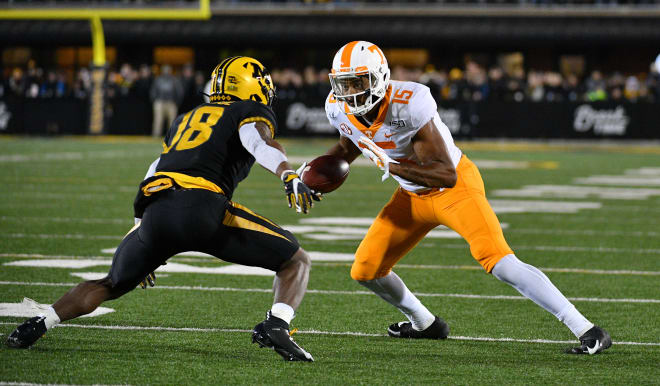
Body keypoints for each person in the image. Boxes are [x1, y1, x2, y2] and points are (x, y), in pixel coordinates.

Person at [6, 56, 320, 362]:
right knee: (296, 260)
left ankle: (41, 322)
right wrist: (288, 174)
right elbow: (257, 142)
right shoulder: (248, 111)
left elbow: (154, 169)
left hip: (156, 211)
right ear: (253, 86)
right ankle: (277, 325)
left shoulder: (186, 117)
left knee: (110, 283)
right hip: (202, 208)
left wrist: (139, 230)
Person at [309, 41, 610, 355]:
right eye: (345, 83)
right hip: (411, 197)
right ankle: (425, 324)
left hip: (454, 190)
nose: (351, 91)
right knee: (365, 270)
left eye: (359, 82)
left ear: (379, 77)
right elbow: (347, 148)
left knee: (499, 262)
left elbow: (445, 174)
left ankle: (588, 330)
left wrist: (392, 165)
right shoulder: (337, 106)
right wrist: (310, 176)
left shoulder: (409, 102)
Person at [150, 64, 183, 137]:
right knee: (158, 120)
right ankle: (156, 136)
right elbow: (153, 91)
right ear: (162, 71)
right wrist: (155, 100)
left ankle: (171, 137)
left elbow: (179, 92)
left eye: (168, 70)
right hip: (159, 101)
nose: (166, 72)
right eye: (165, 70)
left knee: (172, 121)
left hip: (171, 102)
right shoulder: (158, 79)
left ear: (170, 71)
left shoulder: (174, 80)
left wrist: (176, 102)